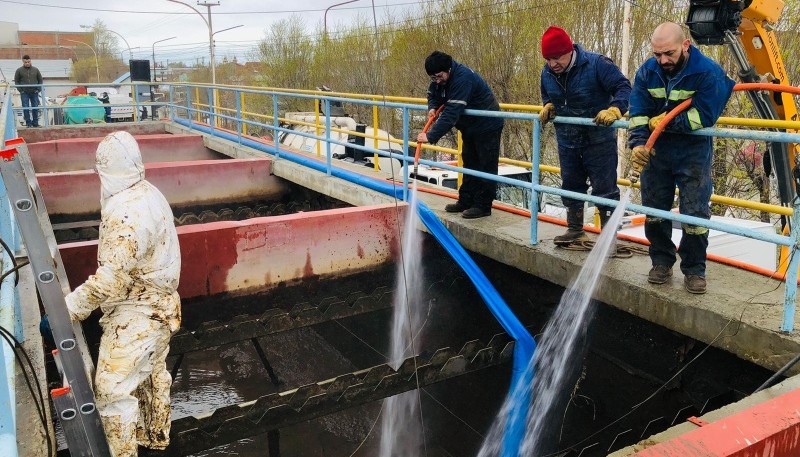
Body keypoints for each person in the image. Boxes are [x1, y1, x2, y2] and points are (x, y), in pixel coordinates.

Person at [65, 131, 181, 456]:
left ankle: (124, 452)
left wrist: (69, 309)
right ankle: (156, 438)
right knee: (150, 374)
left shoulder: (125, 213)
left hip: (137, 313)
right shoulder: (150, 192)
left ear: (105, 170)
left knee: (111, 390)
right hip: (163, 304)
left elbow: (109, 280)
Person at [628, 22, 735, 294]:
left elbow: (704, 116)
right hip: (657, 153)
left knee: (695, 214)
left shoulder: (707, 72)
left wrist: (665, 122)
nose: (663, 60)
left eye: (669, 54)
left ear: (685, 45)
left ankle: (694, 269)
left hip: (692, 153)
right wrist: (638, 145)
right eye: (657, 54)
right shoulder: (647, 72)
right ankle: (661, 262)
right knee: (654, 211)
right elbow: (638, 112)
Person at [538, 26, 632, 246]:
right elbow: (546, 93)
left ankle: (609, 237)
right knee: (570, 184)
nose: (553, 64)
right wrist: (548, 105)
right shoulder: (547, 73)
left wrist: (615, 109)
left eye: (557, 58)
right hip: (567, 139)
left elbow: (624, 87)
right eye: (548, 59)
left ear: (570, 50)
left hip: (598, 140)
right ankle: (574, 230)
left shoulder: (597, 64)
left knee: (605, 188)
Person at [417, 50, 504, 219]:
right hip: (470, 127)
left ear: (448, 69)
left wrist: (431, 135)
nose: (437, 80)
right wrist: (433, 107)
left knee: (485, 166)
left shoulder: (462, 79)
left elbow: (451, 113)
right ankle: (465, 200)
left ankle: (483, 205)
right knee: (470, 162)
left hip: (487, 125)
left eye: (439, 76)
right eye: (433, 78)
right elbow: (432, 94)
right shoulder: (439, 79)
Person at [14, 54, 43, 127]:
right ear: (23, 62)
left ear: (30, 61)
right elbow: (16, 81)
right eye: (25, 62)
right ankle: (28, 123)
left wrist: (38, 89)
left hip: (34, 92)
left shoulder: (35, 70)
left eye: (28, 62)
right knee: (26, 108)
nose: (27, 63)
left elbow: (40, 80)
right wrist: (21, 91)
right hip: (24, 93)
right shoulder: (19, 70)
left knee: (35, 107)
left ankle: (35, 123)